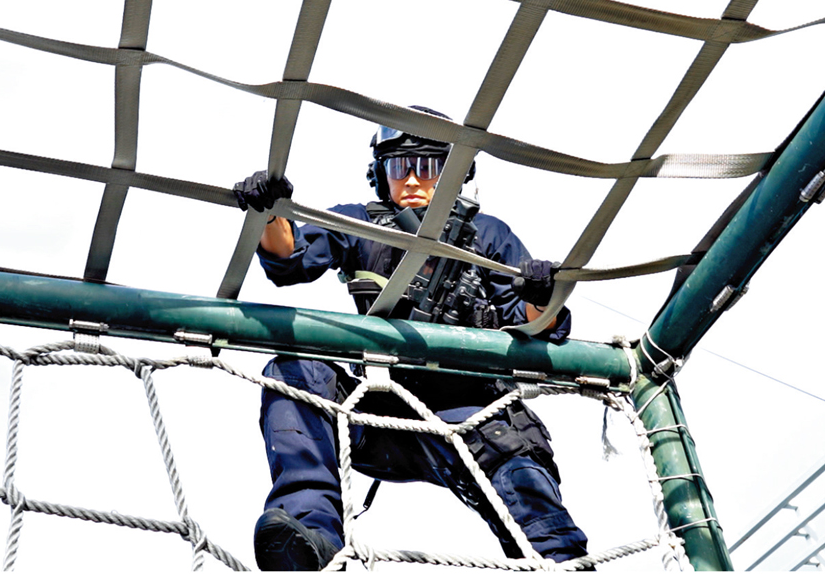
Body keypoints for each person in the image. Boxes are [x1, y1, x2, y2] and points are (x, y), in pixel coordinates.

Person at [231, 106, 590, 571]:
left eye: (429, 167)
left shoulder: (487, 237)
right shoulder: (359, 225)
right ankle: (312, 536)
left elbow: (538, 326)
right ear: (381, 175)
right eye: (402, 167)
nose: (415, 180)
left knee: (524, 479)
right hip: (380, 407)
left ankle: (562, 567)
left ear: (454, 176)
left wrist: (541, 295)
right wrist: (269, 211)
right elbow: (292, 257)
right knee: (294, 372)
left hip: (478, 413)